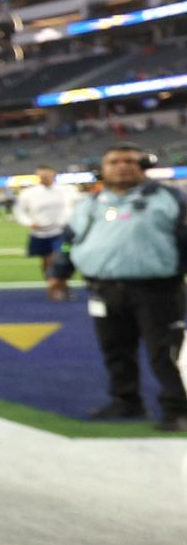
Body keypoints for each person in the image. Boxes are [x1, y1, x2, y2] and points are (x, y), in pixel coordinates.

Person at [67, 144, 187, 430]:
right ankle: (126, 401)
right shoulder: (89, 203)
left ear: (142, 166)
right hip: (104, 288)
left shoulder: (169, 198)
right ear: (102, 169)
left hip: (157, 290)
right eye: (114, 161)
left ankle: (178, 409)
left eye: (130, 161)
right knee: (115, 349)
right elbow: (70, 239)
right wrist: (59, 273)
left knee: (166, 351)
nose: (122, 166)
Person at [15, 165, 76, 300]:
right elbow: (20, 212)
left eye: (46, 175)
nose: (44, 178)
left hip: (61, 233)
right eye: (41, 176)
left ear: (53, 175)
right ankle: (53, 285)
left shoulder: (67, 191)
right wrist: (30, 223)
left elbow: (77, 206)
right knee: (46, 260)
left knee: (60, 257)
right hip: (40, 234)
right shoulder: (28, 193)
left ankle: (61, 286)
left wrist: (69, 221)